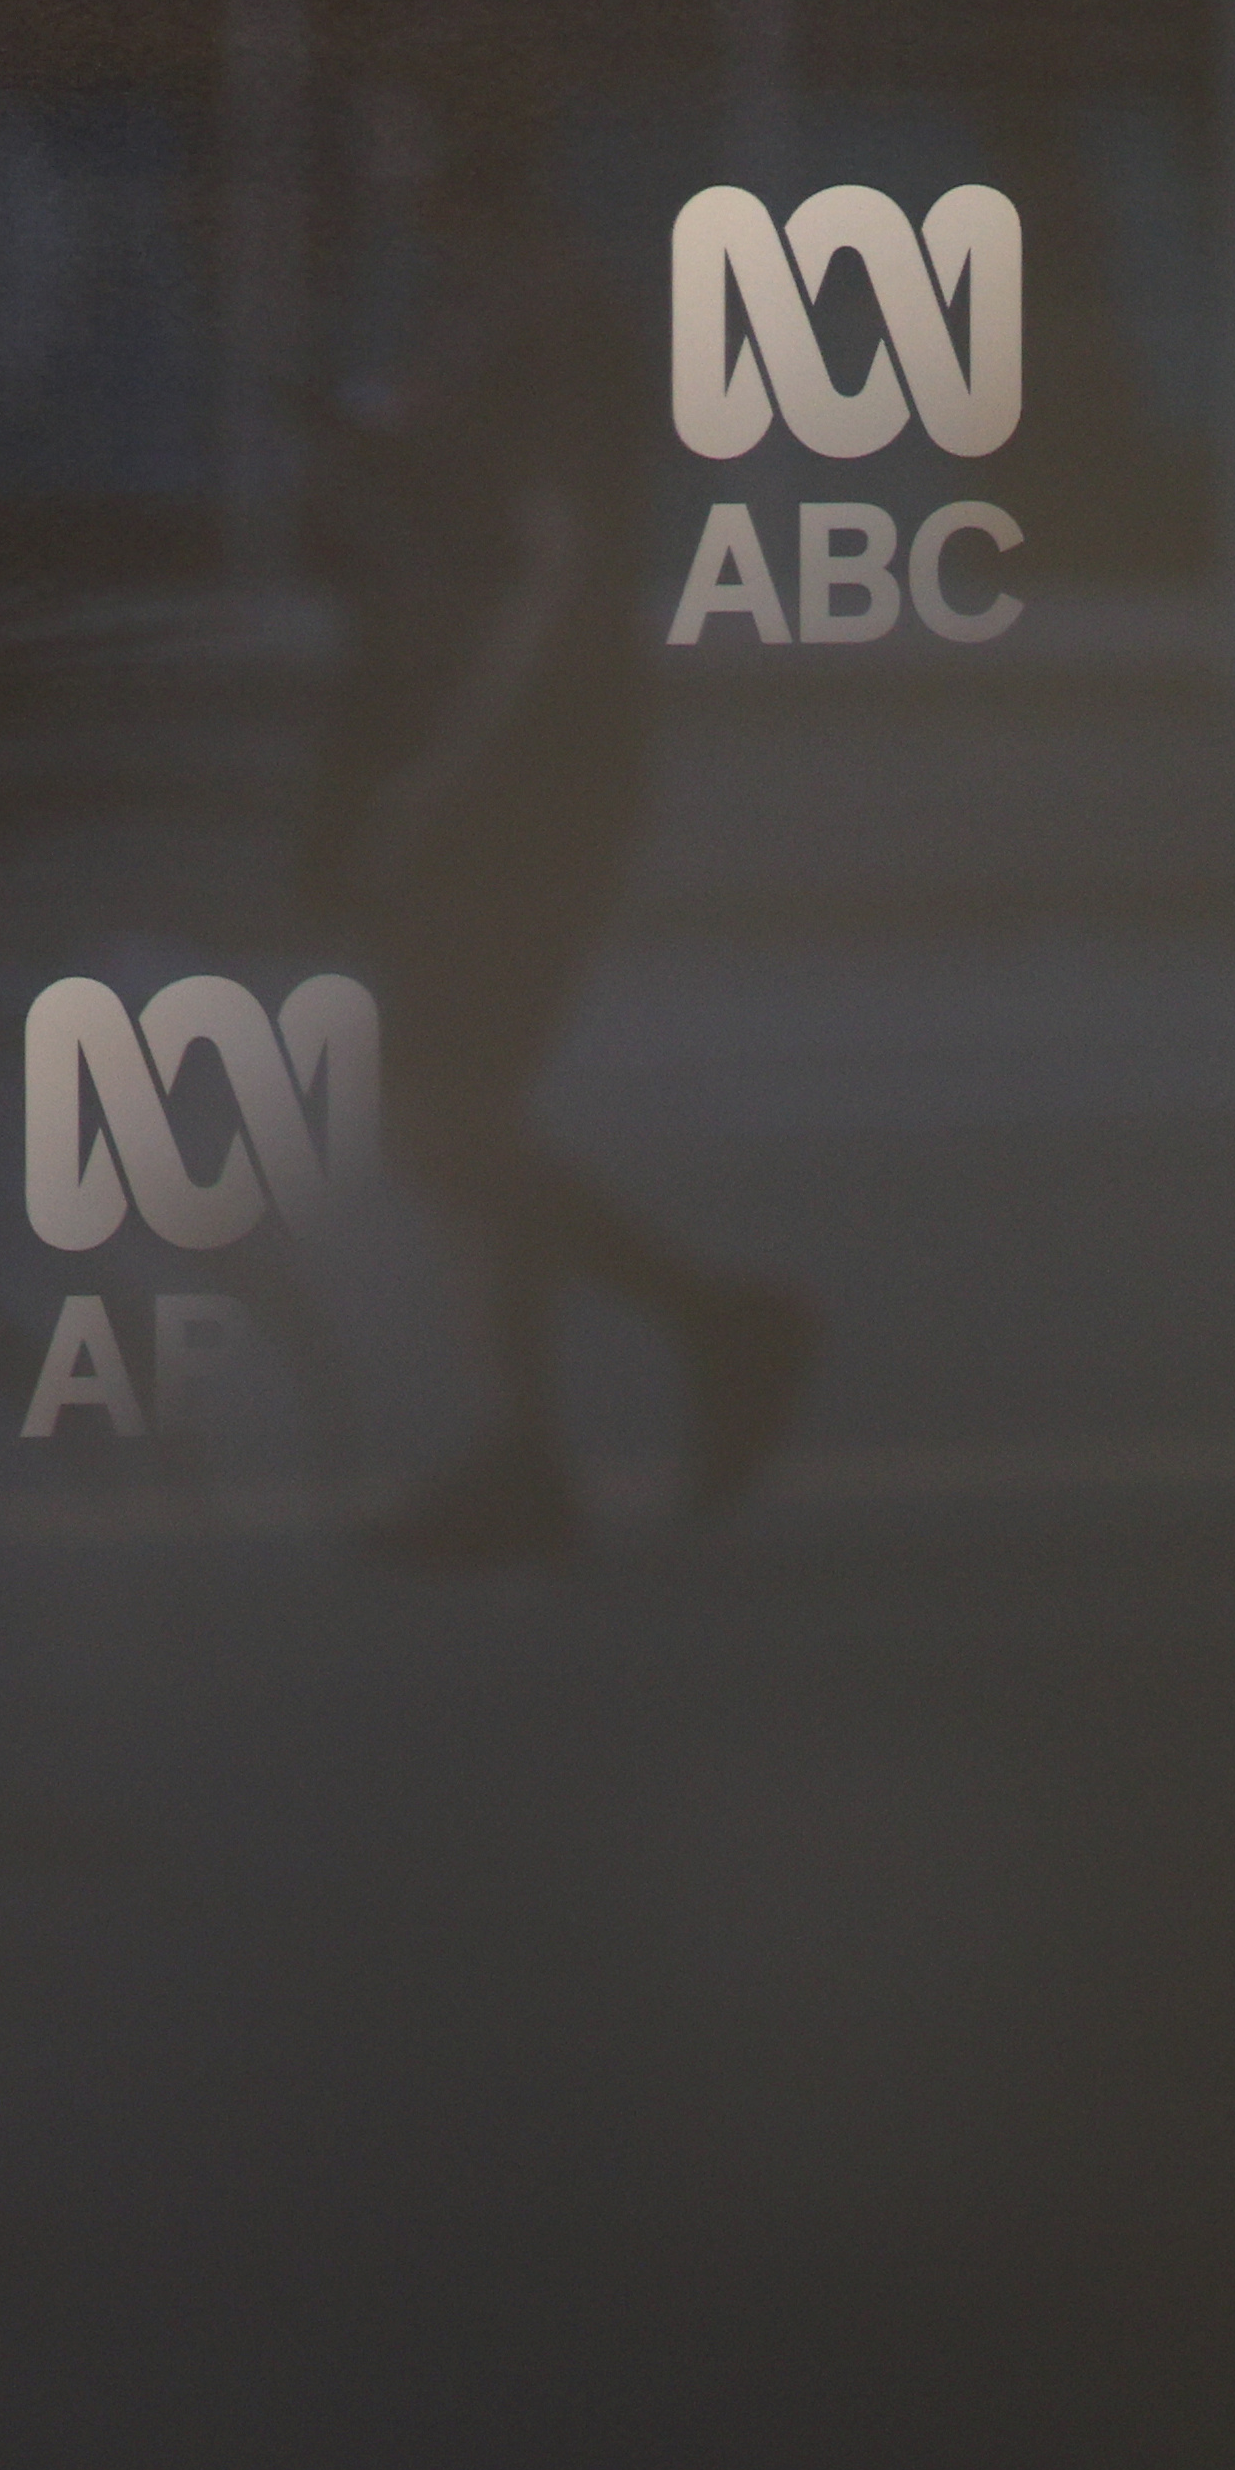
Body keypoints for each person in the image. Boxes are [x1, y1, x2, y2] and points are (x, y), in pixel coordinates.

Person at [299, 88, 813, 1560]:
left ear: (466, 147)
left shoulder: (550, 307)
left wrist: (444, 771)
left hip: (531, 771)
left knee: (437, 1117)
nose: (380, 151)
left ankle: (718, 1325)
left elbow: (561, 570)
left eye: (406, 122)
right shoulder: (470, 302)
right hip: (470, 757)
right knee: (455, 1110)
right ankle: (528, 1449)